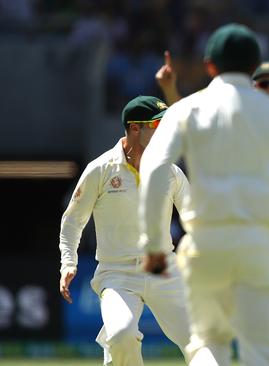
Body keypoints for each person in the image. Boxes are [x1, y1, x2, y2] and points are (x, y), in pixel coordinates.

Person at [139, 23, 269, 366]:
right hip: (262, 248)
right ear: (255, 67)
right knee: (262, 353)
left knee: (208, 344)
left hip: (205, 247)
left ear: (210, 66)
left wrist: (153, 246)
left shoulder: (187, 109)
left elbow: (153, 169)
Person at [58, 96, 192, 366]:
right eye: (158, 125)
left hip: (164, 268)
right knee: (120, 336)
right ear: (134, 127)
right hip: (116, 273)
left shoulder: (171, 172)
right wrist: (69, 262)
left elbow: (195, 218)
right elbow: (73, 221)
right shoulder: (100, 169)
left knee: (199, 340)